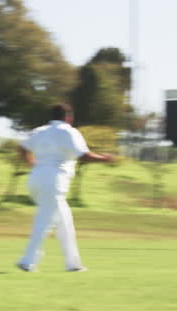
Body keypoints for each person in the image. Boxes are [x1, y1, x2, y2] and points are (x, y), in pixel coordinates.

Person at [15, 103, 113, 273]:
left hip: (35, 179)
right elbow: (84, 156)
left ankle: (73, 264)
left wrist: (31, 163)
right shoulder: (69, 131)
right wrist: (104, 159)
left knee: (64, 223)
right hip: (53, 181)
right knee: (44, 221)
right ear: (69, 117)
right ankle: (27, 261)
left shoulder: (40, 130)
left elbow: (22, 148)